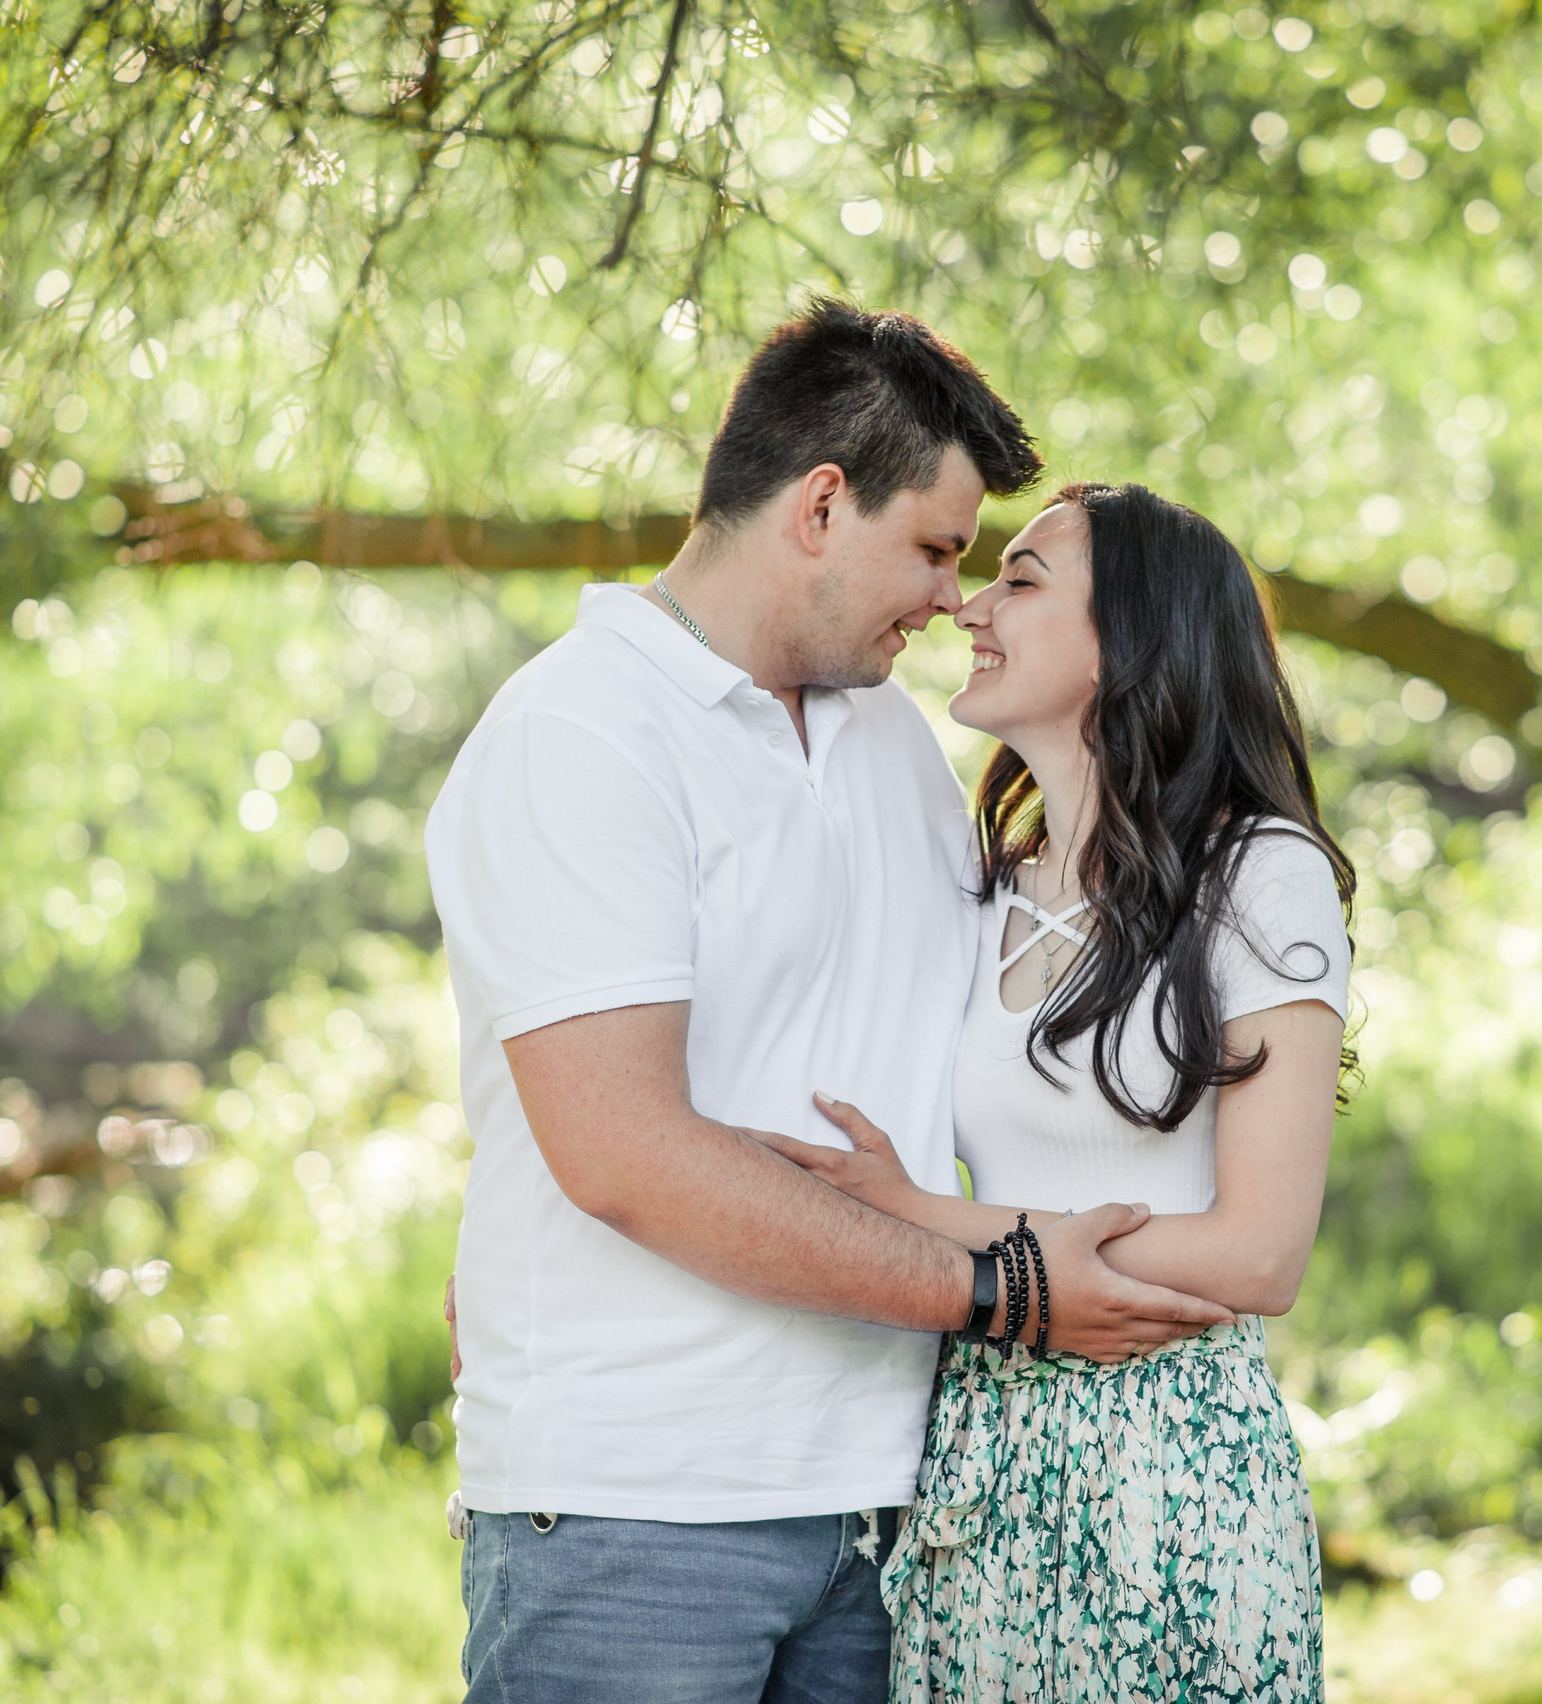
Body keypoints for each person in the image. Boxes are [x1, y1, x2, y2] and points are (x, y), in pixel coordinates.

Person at [423, 303, 1233, 1704]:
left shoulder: (893, 746)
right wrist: (1007, 1294)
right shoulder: (580, 735)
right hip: (638, 1509)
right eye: (931, 548)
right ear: (818, 505)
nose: (950, 598)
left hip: (888, 1513)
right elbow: (624, 1156)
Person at [754, 483, 1355, 1700]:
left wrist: (920, 1217)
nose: (969, 605)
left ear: (1130, 642)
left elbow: (1257, 1258)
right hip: (977, 1446)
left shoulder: (1260, 878)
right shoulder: (980, 891)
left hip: (1170, 1458)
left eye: (1019, 581)